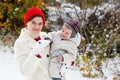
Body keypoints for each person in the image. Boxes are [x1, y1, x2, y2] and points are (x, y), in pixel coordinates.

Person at [14, 7, 52, 80]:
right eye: (33, 22)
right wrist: (35, 52)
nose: (37, 27)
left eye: (40, 23)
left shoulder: (45, 36)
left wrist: (67, 59)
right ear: (26, 23)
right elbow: (25, 71)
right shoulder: (20, 43)